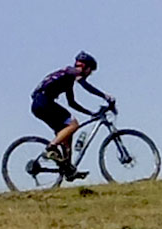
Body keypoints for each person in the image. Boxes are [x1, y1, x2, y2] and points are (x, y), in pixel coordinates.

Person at [31, 52, 113, 180]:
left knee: (67, 134)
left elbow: (72, 103)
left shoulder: (67, 78)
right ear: (86, 67)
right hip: (44, 101)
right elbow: (86, 86)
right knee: (74, 124)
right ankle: (51, 148)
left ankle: (68, 169)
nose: (89, 75)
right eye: (90, 71)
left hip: (39, 104)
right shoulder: (72, 71)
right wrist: (104, 96)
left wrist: (91, 113)